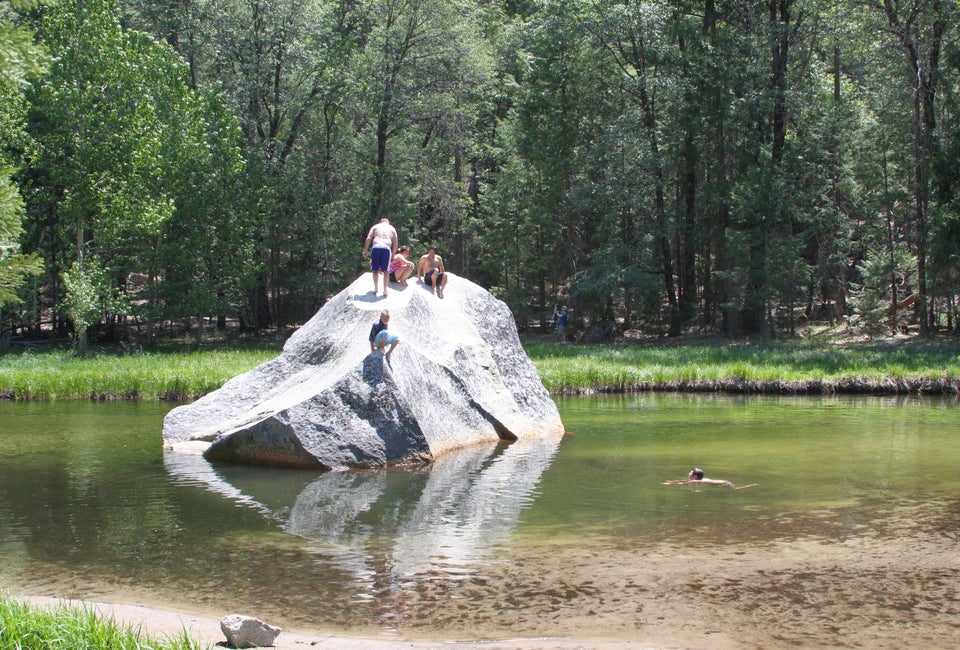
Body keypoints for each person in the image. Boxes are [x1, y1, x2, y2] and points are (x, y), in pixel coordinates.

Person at [362, 218, 398, 297]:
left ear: (381, 222)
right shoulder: (392, 228)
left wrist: (365, 250)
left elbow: (368, 238)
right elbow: (395, 243)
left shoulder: (375, 226)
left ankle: (376, 289)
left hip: (376, 247)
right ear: (388, 222)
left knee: (375, 269)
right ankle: (385, 290)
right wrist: (393, 254)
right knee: (386, 271)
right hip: (386, 248)